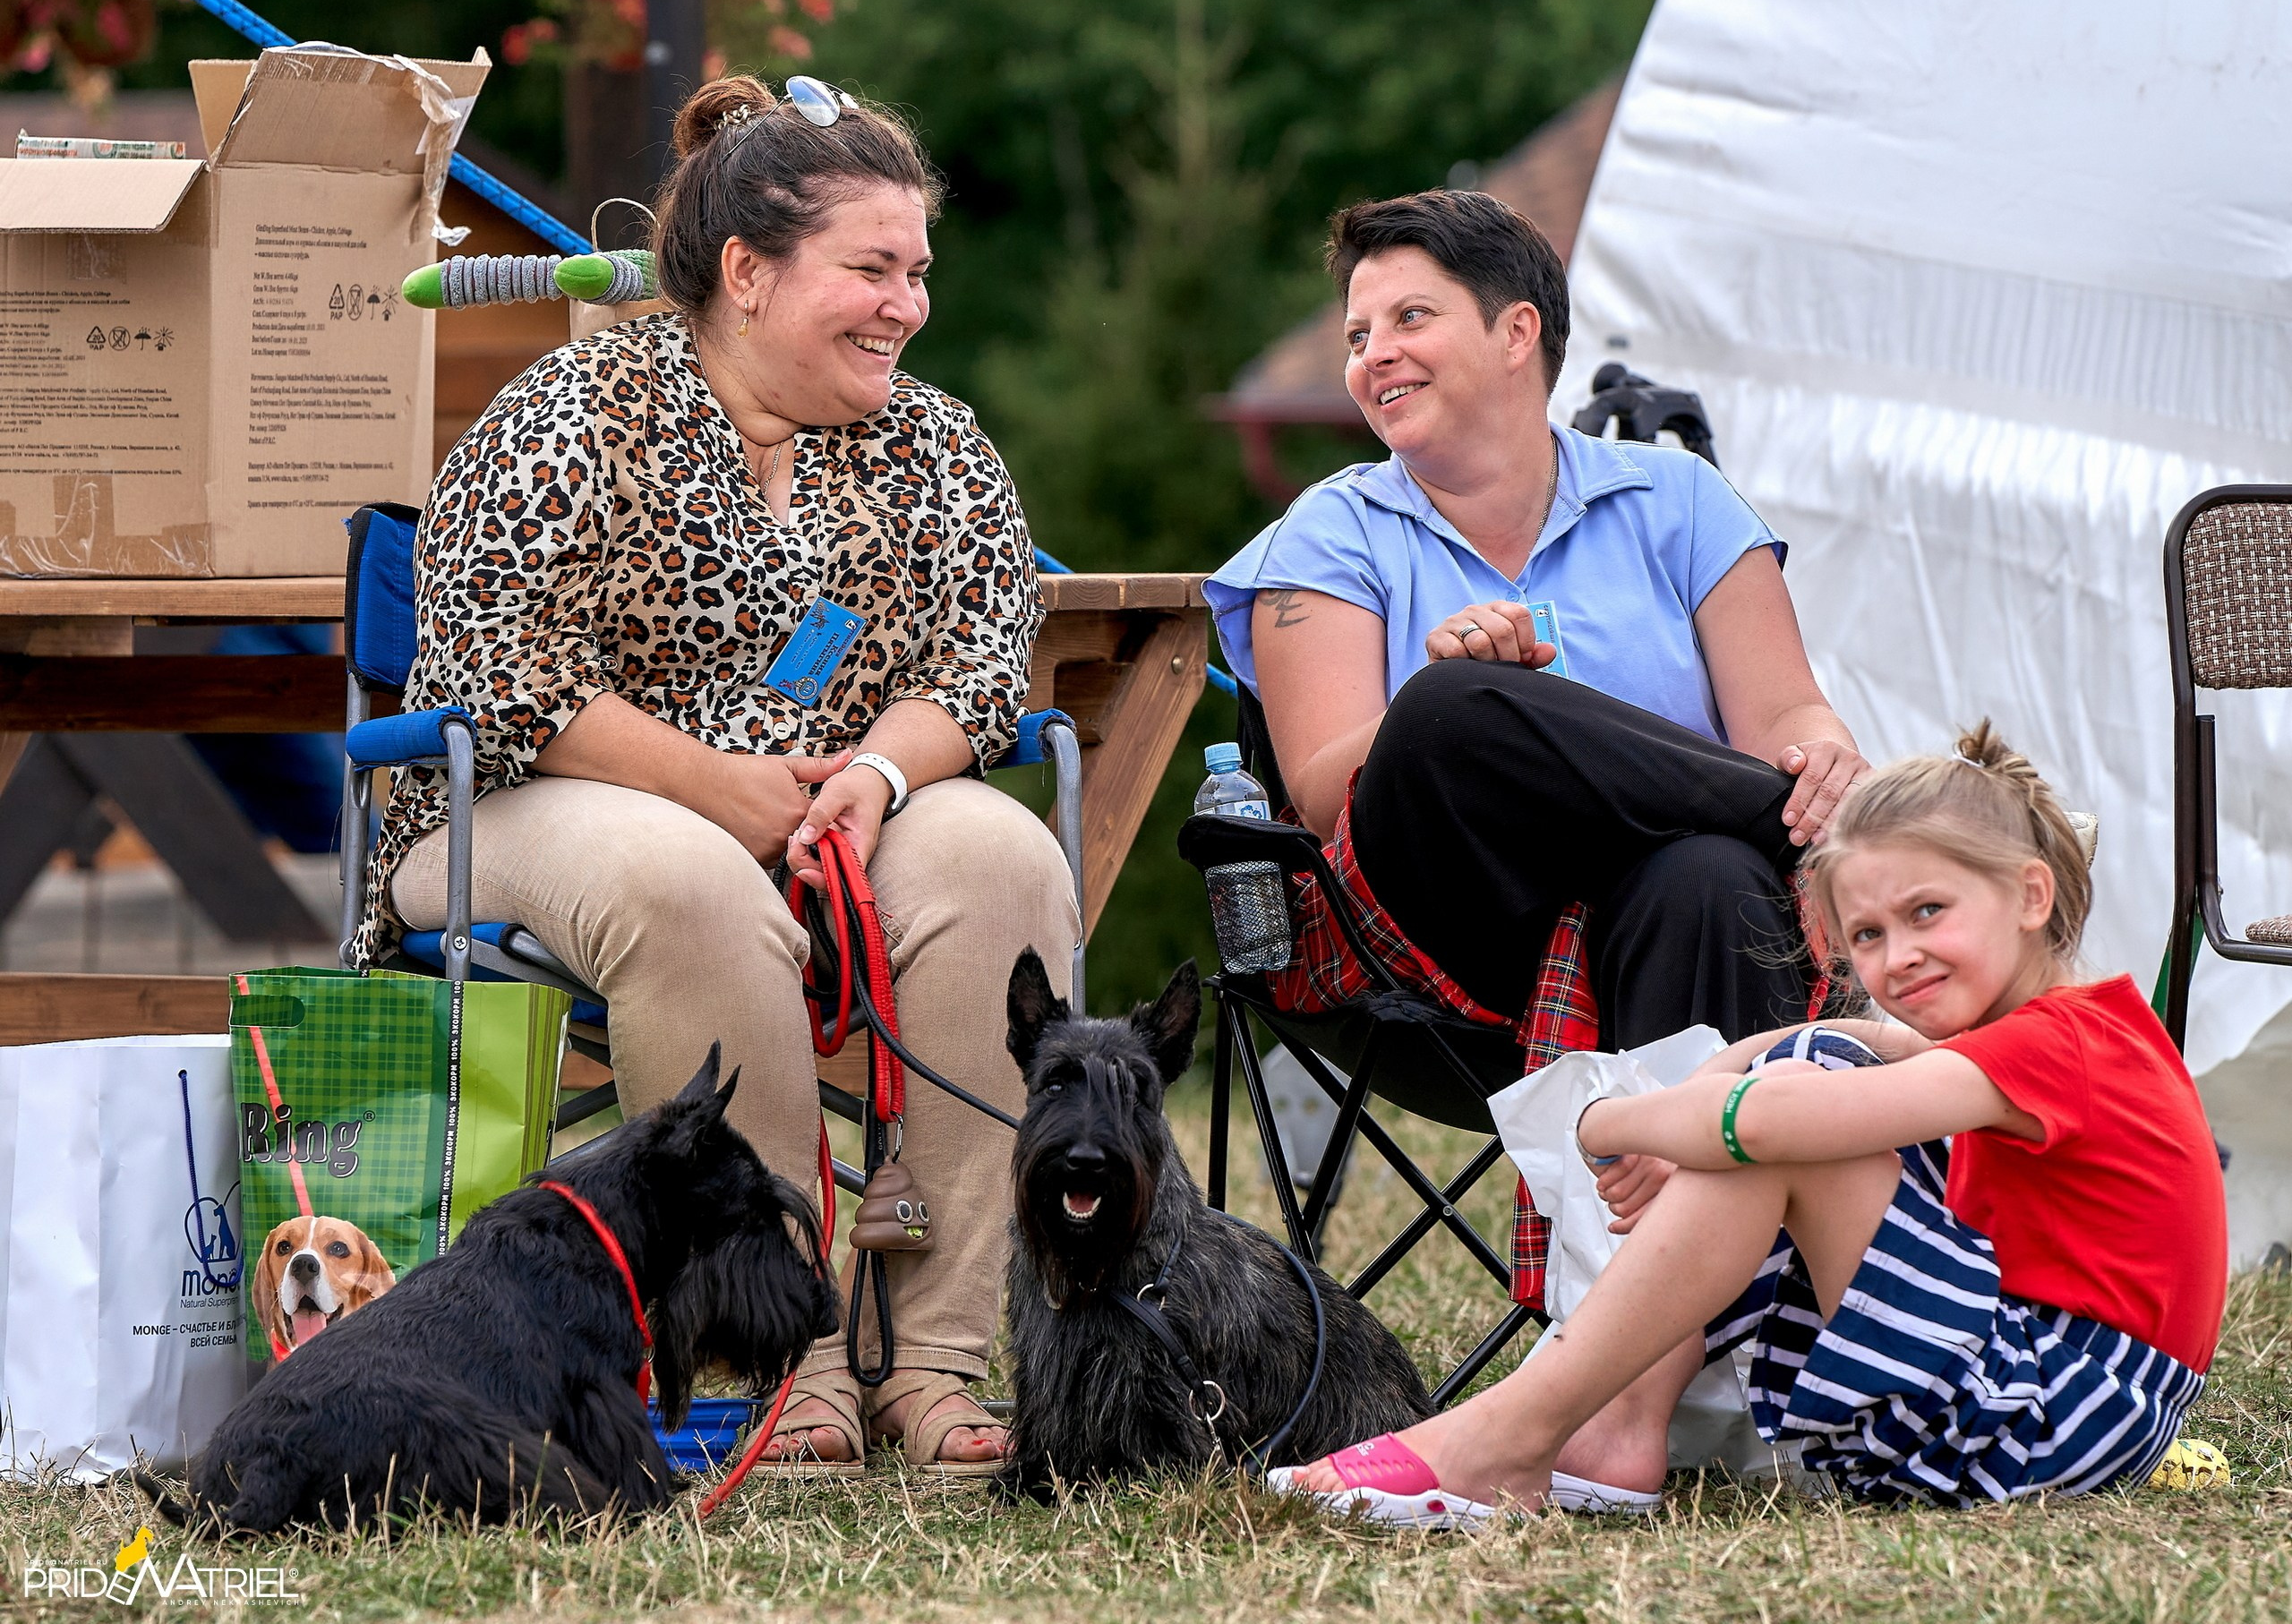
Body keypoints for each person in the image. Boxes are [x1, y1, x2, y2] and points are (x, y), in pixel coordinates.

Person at [350, 73, 1079, 1478]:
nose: (907, 303)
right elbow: (498, 671)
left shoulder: (934, 441)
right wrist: (717, 786)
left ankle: (931, 1360)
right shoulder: (575, 407)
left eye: (918, 270)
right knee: (687, 880)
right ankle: (785, 1353)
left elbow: (987, 662)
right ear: (747, 273)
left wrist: (874, 771)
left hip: (833, 806)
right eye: (871, 268)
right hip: (518, 799)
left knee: (1002, 855)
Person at [1275, 723, 2228, 1518]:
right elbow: (1857, 1050)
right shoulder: (2059, 1032)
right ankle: (1604, 1434)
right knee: (1808, 1072)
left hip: (2052, 1421)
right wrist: (1739, 1062)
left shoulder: (2063, 1043)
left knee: (1795, 1120)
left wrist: (1620, 1121)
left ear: (2030, 895)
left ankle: (1517, 1433)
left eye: (1927, 911)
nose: (1898, 958)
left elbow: (1776, 1126)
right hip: (2061, 1404)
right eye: (1867, 936)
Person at [1203, 189, 1869, 1079]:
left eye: (1409, 318)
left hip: (1673, 901)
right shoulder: (1326, 533)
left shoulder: (1681, 501)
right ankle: (1862, 849)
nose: (1374, 356)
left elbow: (1787, 713)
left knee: (1709, 876)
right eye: (1359, 336)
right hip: (1448, 923)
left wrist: (1821, 756)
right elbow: (1326, 795)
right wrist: (1462, 696)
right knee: (1450, 704)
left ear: (1517, 333)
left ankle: (1677, 1212)